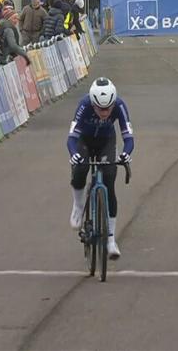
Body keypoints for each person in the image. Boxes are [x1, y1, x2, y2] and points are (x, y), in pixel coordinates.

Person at [67, 77, 134, 259]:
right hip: (84, 141)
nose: (104, 113)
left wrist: (126, 154)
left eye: (108, 108)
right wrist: (74, 154)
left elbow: (128, 138)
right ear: (92, 103)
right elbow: (72, 138)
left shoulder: (119, 105)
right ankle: (79, 206)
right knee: (80, 170)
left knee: (109, 181)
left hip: (106, 141)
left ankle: (111, 240)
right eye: (100, 108)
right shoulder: (84, 105)